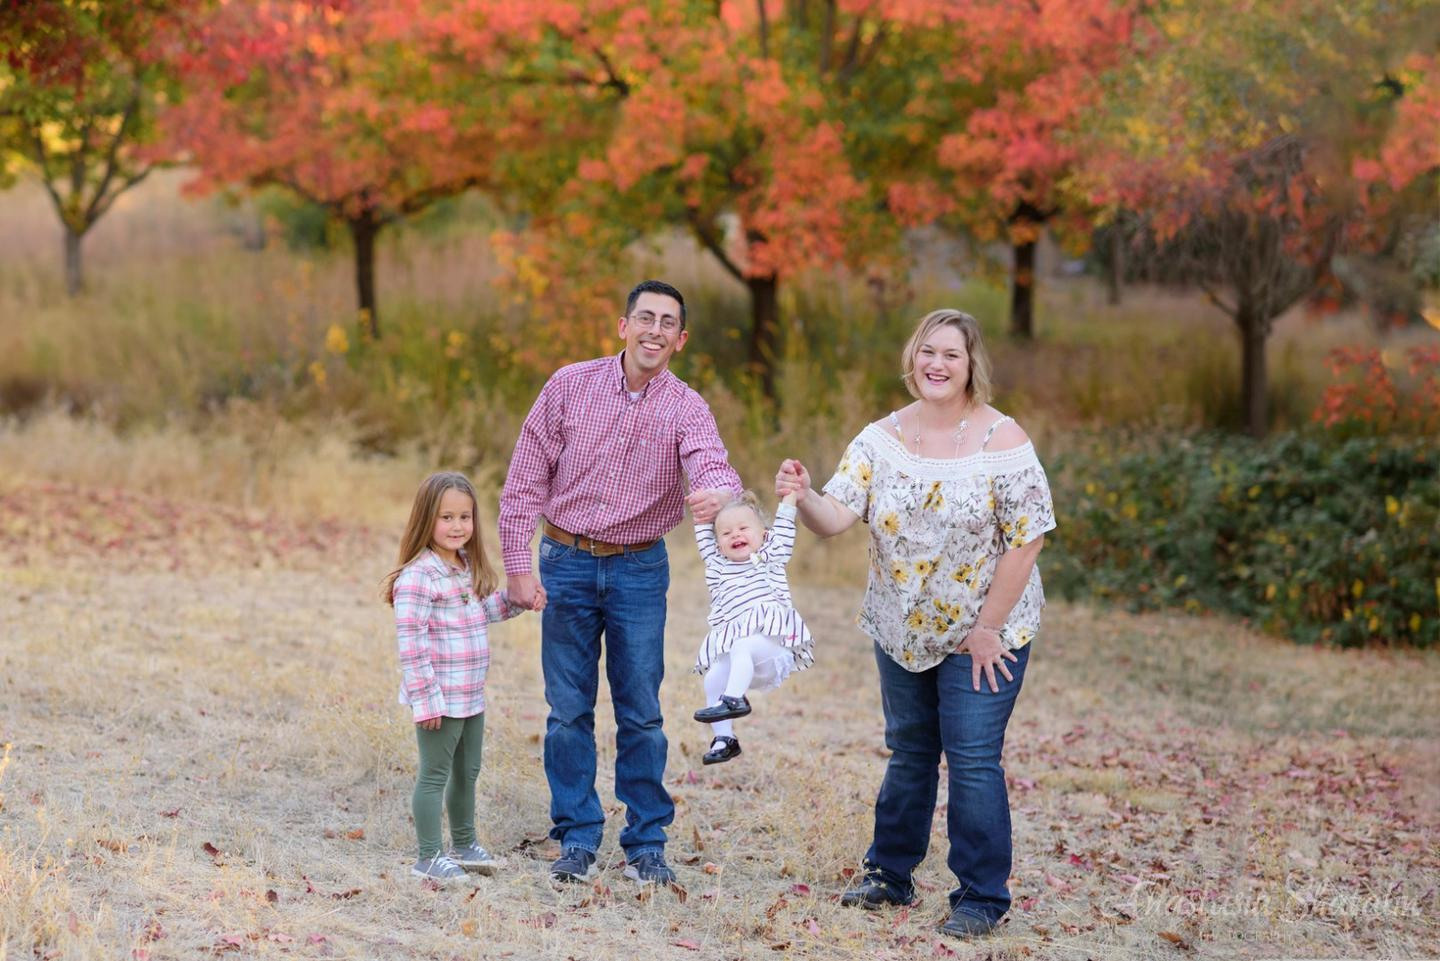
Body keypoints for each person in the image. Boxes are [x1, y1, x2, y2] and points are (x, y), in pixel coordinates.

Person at [775, 308, 1056, 939]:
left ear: (970, 365)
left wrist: (988, 626)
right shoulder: (881, 438)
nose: (937, 364)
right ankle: (889, 874)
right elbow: (836, 517)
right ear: (913, 358)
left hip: (985, 632)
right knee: (910, 752)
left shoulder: (1002, 442)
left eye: (951, 354)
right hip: (901, 628)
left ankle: (982, 894)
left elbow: (1027, 540)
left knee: (973, 757)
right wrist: (802, 493)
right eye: (928, 351)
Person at [498, 279, 742, 886]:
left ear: (680, 340)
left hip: (638, 568)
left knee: (641, 712)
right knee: (568, 710)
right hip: (565, 560)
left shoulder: (686, 406)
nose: (654, 331)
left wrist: (720, 492)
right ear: (623, 326)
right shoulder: (569, 386)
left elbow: (710, 460)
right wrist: (518, 566)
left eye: (668, 324)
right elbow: (525, 476)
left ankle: (645, 841)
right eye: (646, 318)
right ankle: (577, 836)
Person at [383, 471, 542, 886]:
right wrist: (425, 698)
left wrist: (517, 600)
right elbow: (411, 644)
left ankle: (465, 845)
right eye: (446, 518)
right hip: (439, 698)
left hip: (471, 694)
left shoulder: (464, 565)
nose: (457, 527)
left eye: (465, 517)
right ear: (425, 520)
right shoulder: (419, 577)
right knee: (435, 774)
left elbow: (482, 611)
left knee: (467, 772)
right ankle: (428, 856)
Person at [690, 490, 814, 764]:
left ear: (763, 534)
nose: (735, 535)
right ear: (717, 543)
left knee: (742, 646)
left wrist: (790, 496)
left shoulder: (771, 555)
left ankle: (734, 699)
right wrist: (700, 514)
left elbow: (784, 525)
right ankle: (725, 739)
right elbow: (703, 532)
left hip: (772, 649)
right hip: (741, 663)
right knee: (713, 678)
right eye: (726, 533)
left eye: (744, 528)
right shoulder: (717, 565)